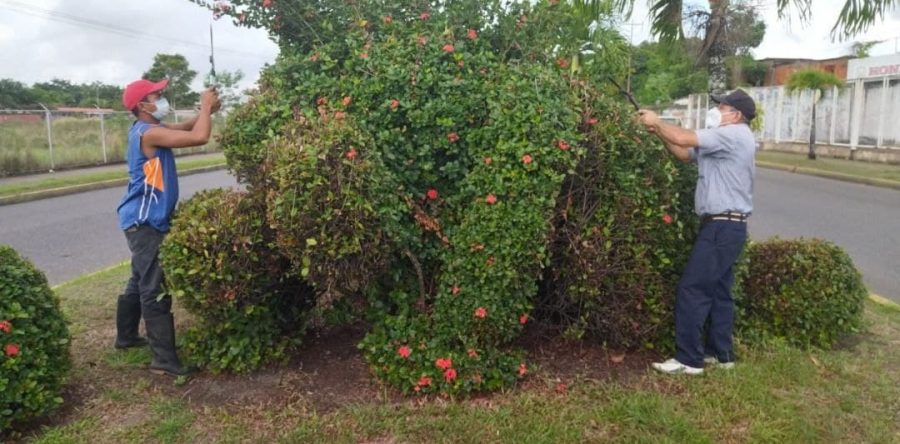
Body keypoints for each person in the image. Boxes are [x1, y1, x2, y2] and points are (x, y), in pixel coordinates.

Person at [637, 89, 756, 375]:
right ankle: (720, 353)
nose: (717, 111)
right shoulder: (724, 142)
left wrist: (657, 121)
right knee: (719, 291)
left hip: (722, 226)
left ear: (736, 114)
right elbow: (682, 152)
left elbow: (682, 137)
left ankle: (689, 360)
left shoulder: (734, 134)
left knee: (693, 288)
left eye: (723, 107)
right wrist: (657, 132)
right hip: (727, 227)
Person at [114, 79, 220, 376]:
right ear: (141, 105)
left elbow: (186, 127)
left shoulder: (147, 130)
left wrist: (205, 111)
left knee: (139, 279)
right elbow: (199, 137)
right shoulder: (148, 134)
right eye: (156, 95)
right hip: (145, 222)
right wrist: (207, 110)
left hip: (139, 219)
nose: (161, 99)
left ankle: (125, 337)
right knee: (154, 287)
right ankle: (163, 360)